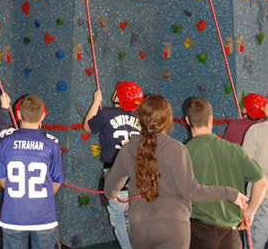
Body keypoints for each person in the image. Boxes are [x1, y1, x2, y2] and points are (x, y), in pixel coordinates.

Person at [104, 94, 247, 249]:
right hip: (173, 227)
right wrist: (229, 193)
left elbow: (110, 191)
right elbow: (192, 191)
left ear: (141, 118)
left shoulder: (128, 149)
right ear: (168, 119)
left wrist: (114, 194)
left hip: (140, 228)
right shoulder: (176, 148)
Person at [185, 97, 267, 249]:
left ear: (187, 121)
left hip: (198, 234)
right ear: (211, 119)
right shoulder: (233, 150)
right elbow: (261, 182)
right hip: (231, 237)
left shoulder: (185, 152)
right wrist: (249, 212)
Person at [0, 93, 65, 249]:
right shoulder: (52, 143)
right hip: (44, 216)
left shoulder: (5, 141)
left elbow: (2, 179)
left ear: (18, 114)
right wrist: (41, 196)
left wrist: (4, 106)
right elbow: (57, 180)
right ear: (43, 116)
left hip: (13, 215)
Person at [83, 81, 144, 249]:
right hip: (136, 175)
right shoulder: (140, 118)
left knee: (119, 220)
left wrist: (96, 102)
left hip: (114, 173)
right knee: (131, 219)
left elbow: (87, 127)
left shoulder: (106, 113)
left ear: (118, 97)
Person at [242, 98, 268, 248]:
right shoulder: (256, 130)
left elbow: (245, 163)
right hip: (260, 193)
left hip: (258, 193)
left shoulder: (256, 130)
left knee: (256, 240)